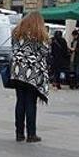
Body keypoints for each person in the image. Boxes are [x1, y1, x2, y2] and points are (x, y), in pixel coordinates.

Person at [9, 12, 50, 143]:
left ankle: (19, 133)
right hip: (32, 72)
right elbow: (45, 52)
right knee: (30, 102)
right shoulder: (38, 34)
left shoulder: (16, 32)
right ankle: (31, 134)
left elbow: (13, 48)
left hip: (17, 71)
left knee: (20, 101)